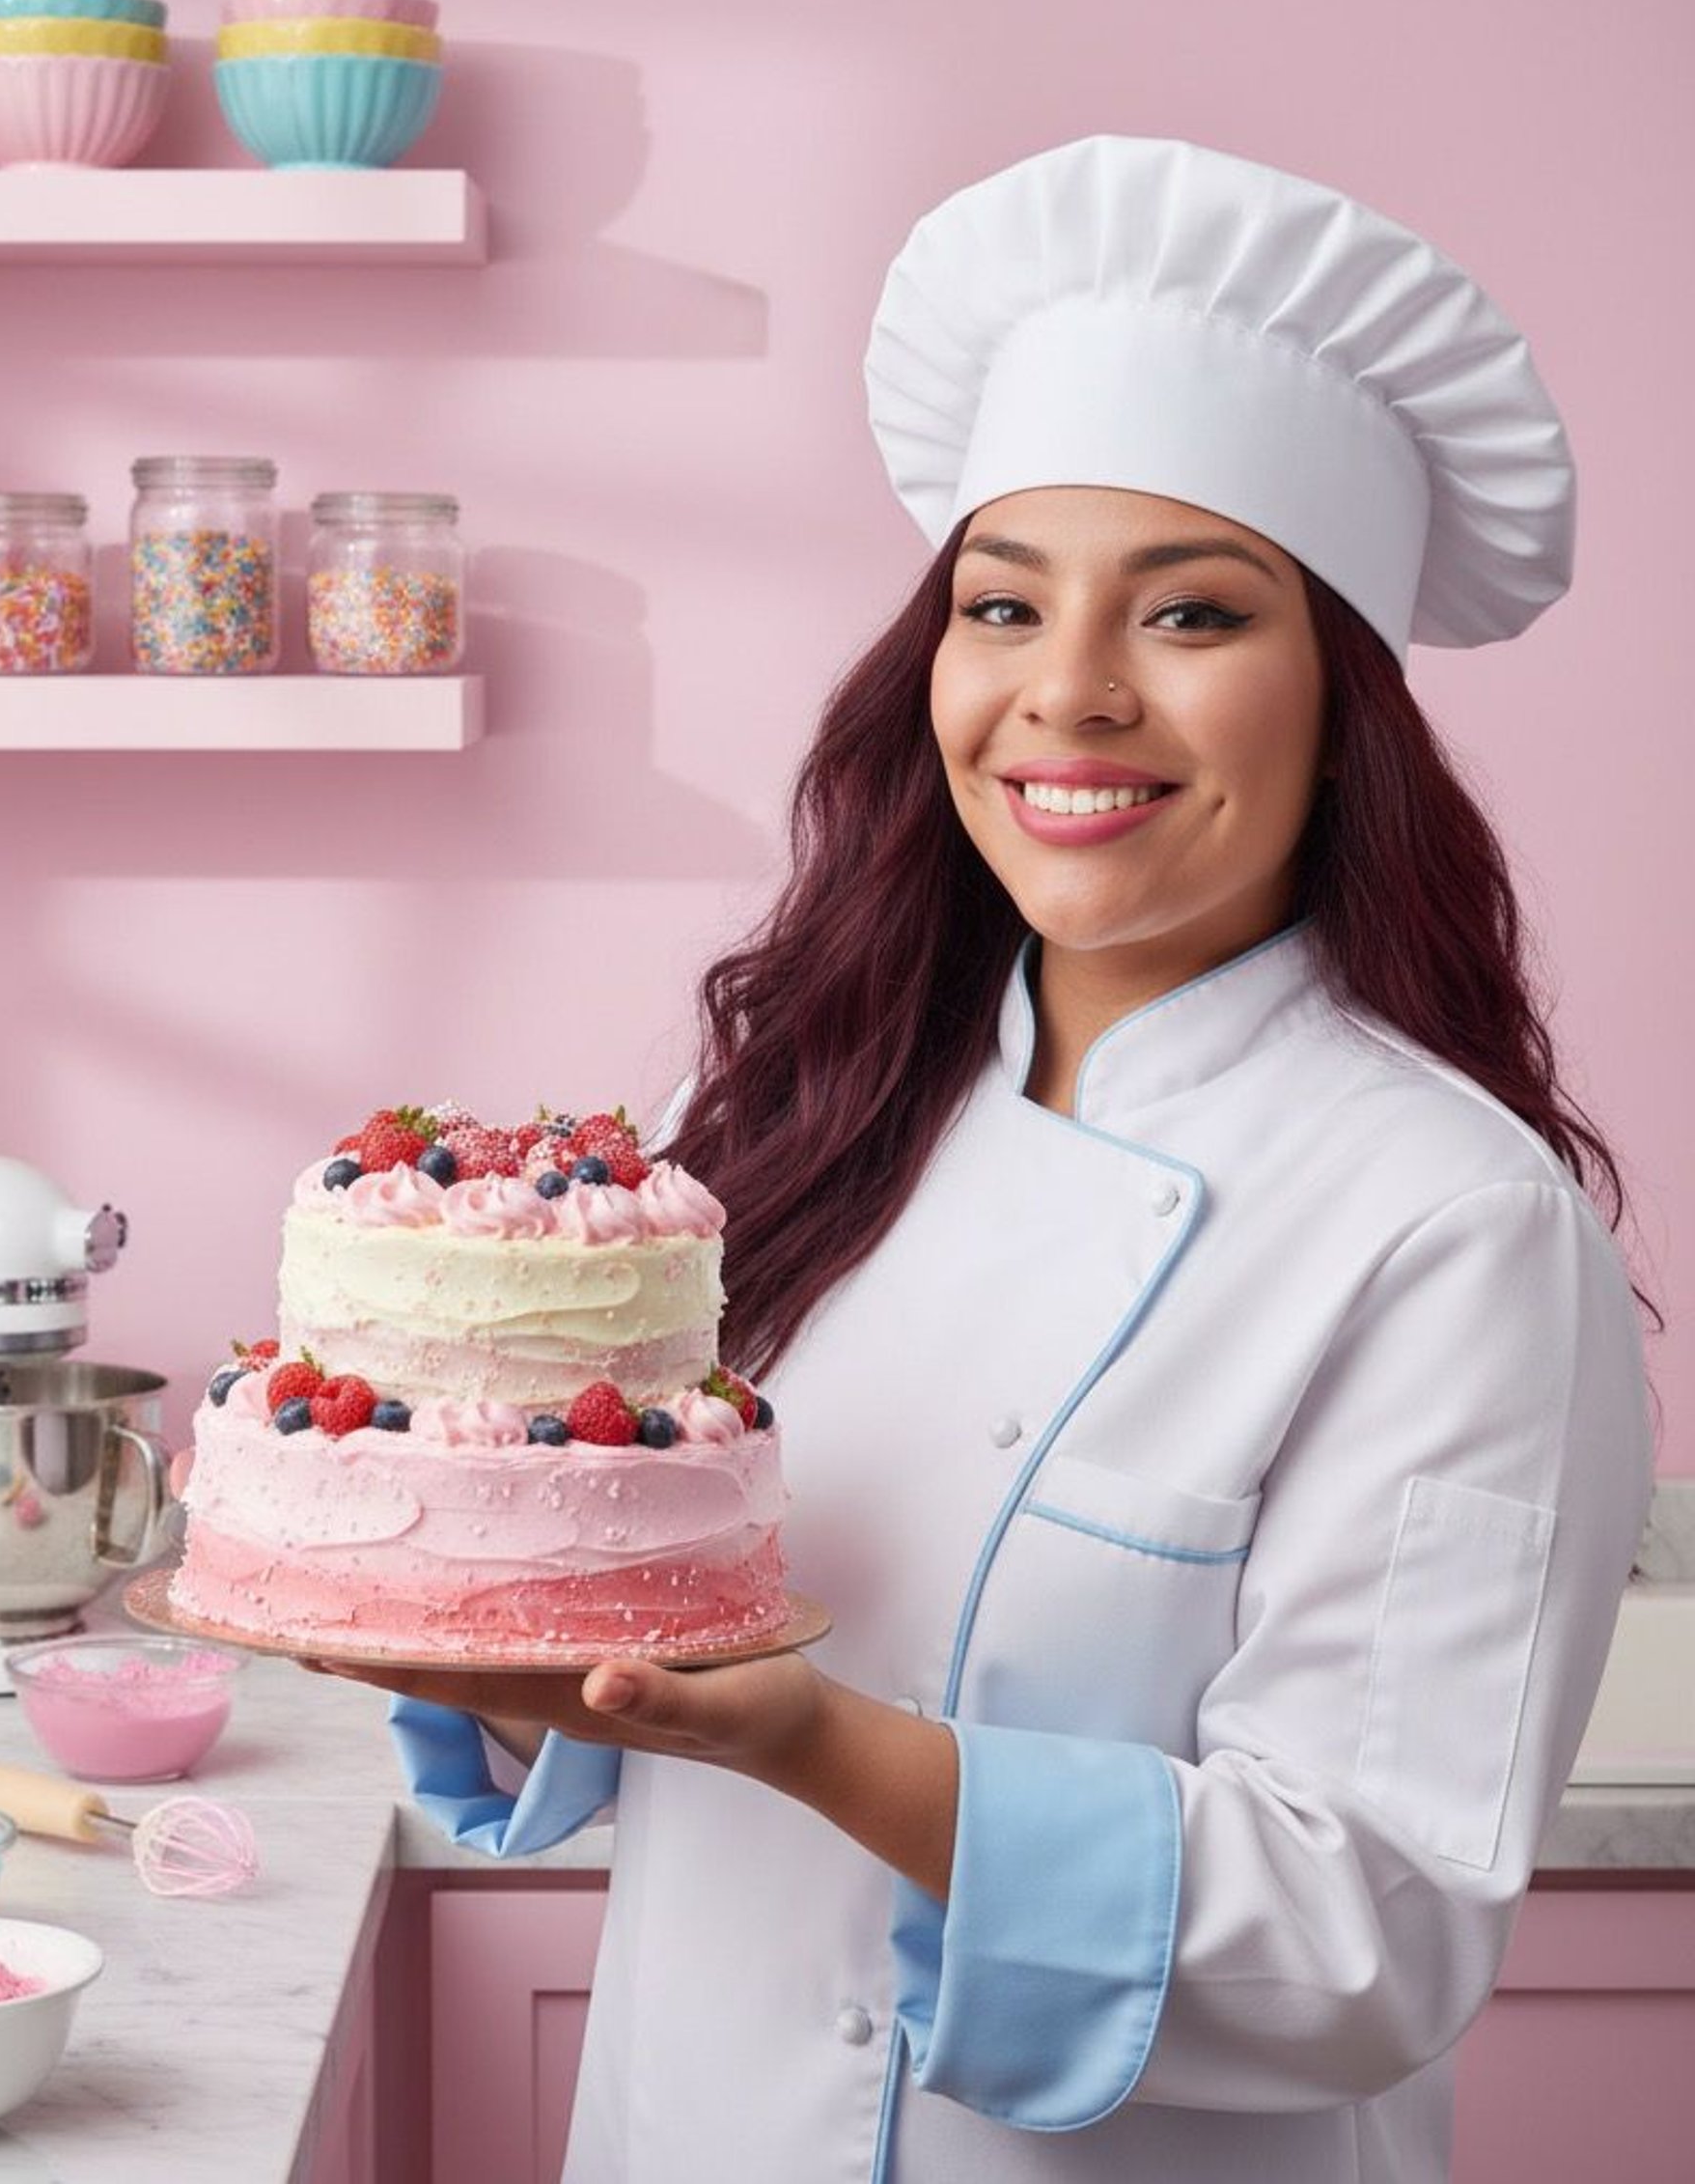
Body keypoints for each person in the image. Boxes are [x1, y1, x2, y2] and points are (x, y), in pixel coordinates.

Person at [323, 135, 1654, 2182]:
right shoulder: (818, 1121)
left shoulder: (1455, 1227)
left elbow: (1365, 1927)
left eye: (1194, 611)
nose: (1070, 695)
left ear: (1341, 702)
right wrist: (495, 1659)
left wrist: (823, 1740)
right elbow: (643, 1675)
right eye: (1002, 603)